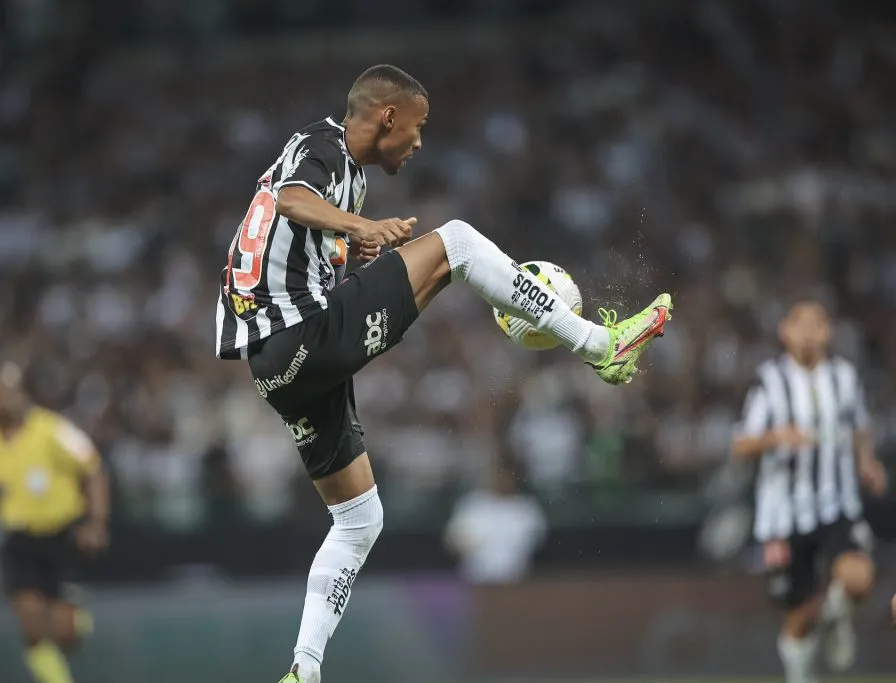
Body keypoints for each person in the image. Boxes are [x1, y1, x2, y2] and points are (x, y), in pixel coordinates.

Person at [215, 64, 673, 683]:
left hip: (277, 367)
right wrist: (360, 228)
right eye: (419, 127)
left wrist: (355, 246)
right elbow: (291, 200)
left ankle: (304, 668)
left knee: (359, 519)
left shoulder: (344, 173)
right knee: (455, 242)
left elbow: (289, 239)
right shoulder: (321, 148)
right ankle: (598, 343)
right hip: (299, 337)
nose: (421, 142)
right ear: (387, 117)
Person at [731, 301, 887, 683]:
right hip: (784, 515)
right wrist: (777, 437)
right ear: (785, 331)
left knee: (859, 581)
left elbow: (858, 427)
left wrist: (867, 461)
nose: (809, 331)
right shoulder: (769, 381)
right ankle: (802, 670)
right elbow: (741, 445)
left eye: (818, 323)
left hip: (837, 504)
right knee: (800, 613)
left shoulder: (844, 377)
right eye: (801, 323)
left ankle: (837, 618)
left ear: (829, 331)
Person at [0, 362, 109, 683]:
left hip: (61, 535)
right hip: (19, 540)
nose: (6, 400)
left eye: (10, 392)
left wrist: (96, 521)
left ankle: (74, 622)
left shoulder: (52, 429)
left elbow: (93, 469)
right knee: (31, 623)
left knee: (63, 630)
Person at [443, 461, 546, 584]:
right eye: (499, 475)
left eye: (507, 476)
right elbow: (452, 542)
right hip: (475, 582)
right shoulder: (472, 504)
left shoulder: (527, 508)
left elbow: (536, 546)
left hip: (516, 581)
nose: (503, 480)